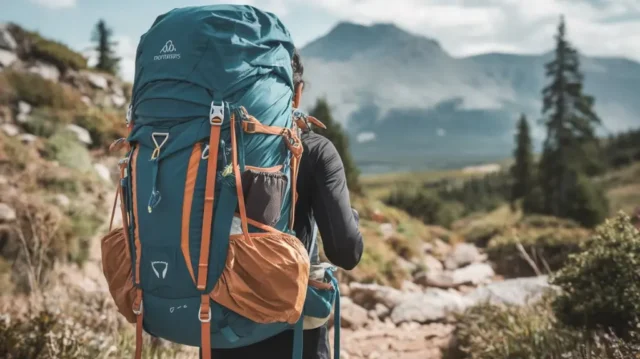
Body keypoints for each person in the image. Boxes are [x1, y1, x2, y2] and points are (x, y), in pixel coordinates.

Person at [203, 48, 364, 359]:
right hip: (292, 334)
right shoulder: (313, 150)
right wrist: (352, 220)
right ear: (296, 92)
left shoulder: (205, 149)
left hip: (217, 325)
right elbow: (346, 252)